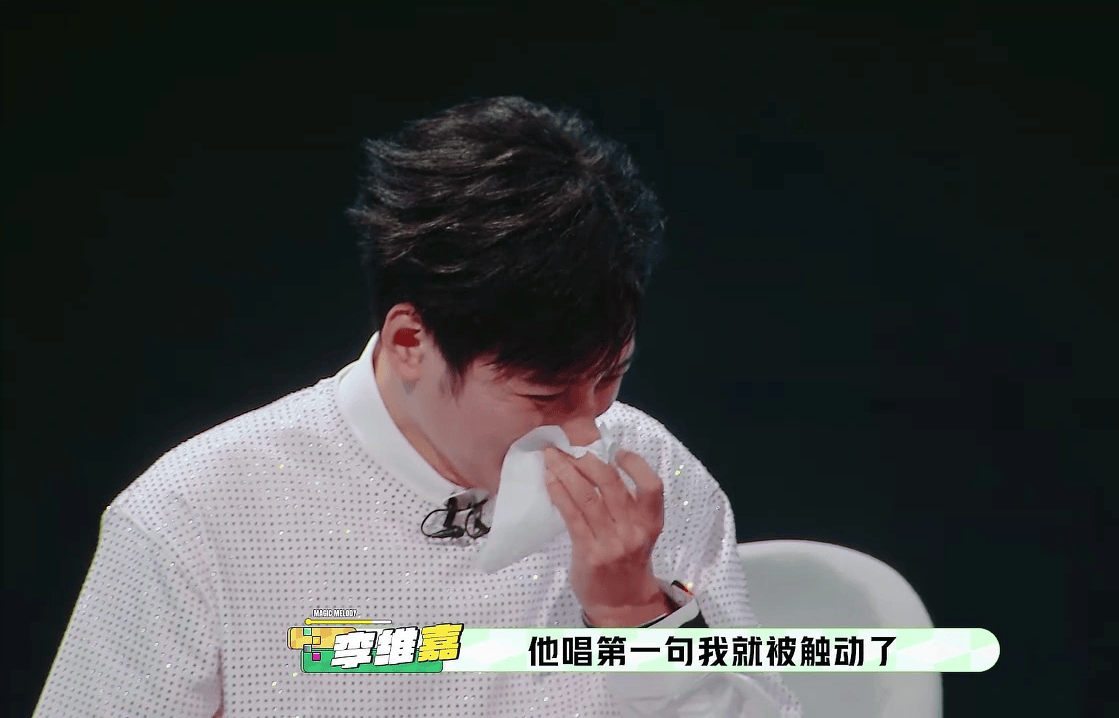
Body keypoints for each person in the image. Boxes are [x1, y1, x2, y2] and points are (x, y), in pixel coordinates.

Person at [33, 96, 803, 717]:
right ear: (410, 341)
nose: (585, 429)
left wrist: (637, 613)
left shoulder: (650, 474)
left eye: (610, 378)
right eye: (543, 395)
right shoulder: (194, 517)